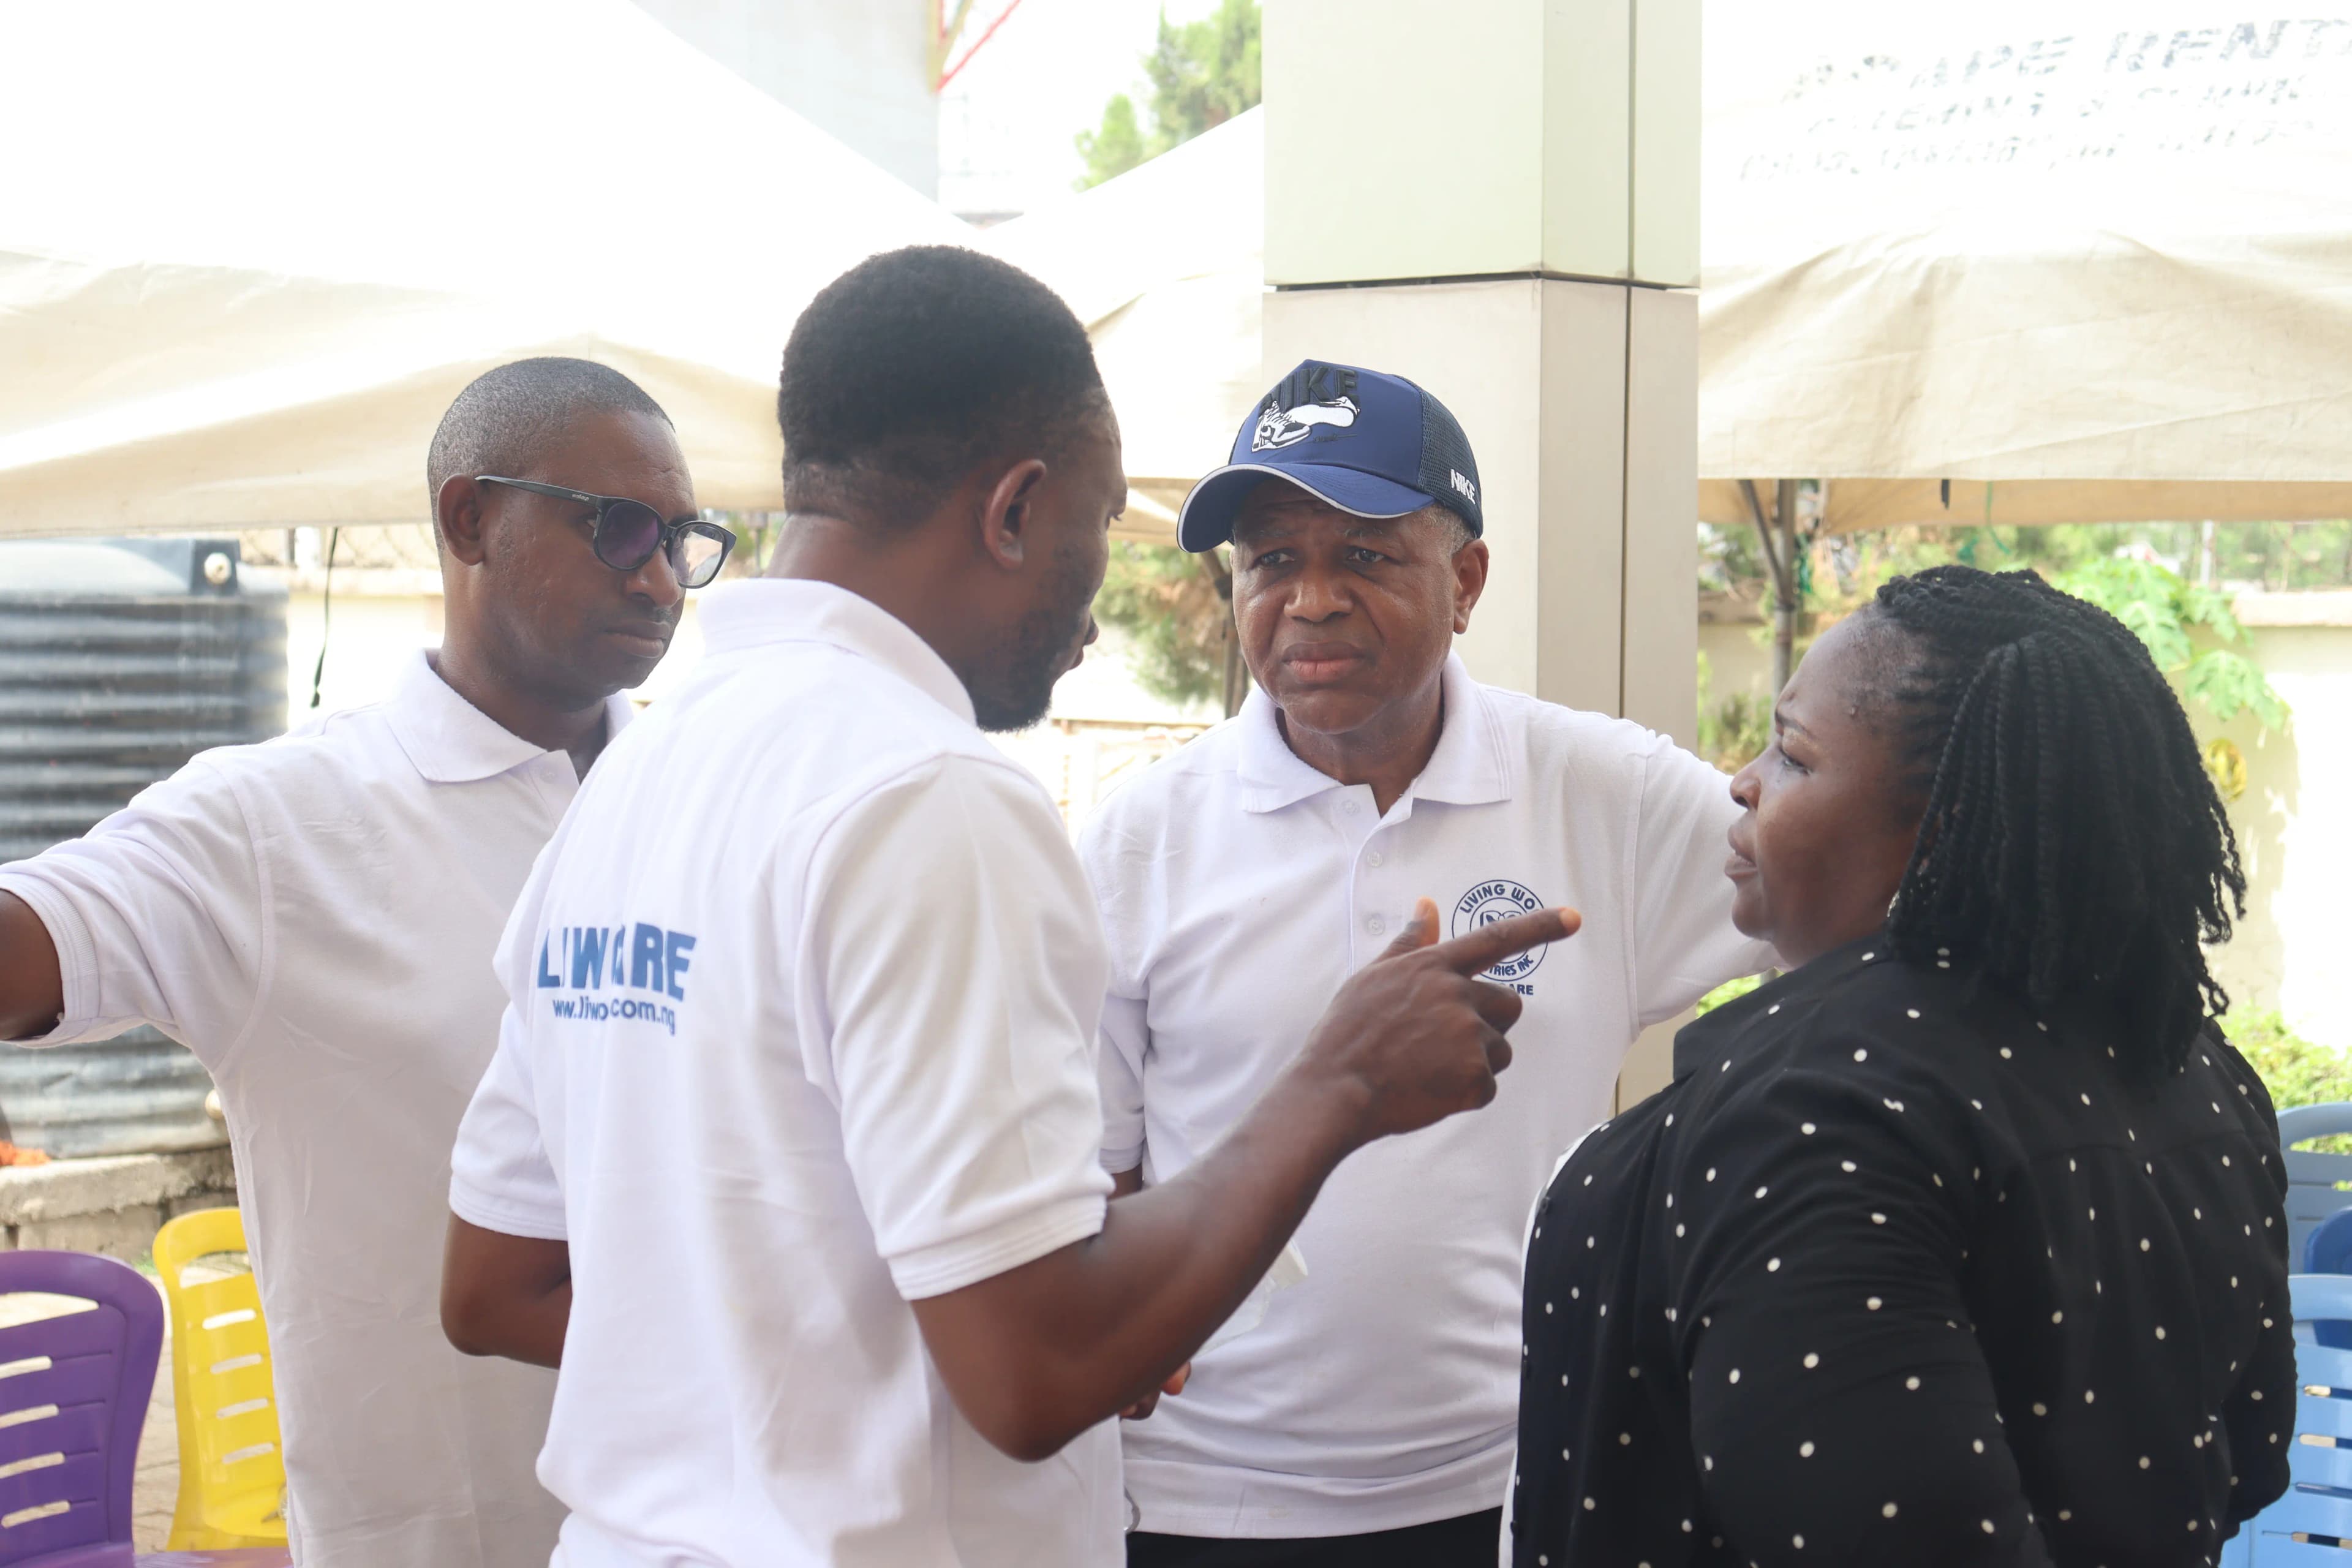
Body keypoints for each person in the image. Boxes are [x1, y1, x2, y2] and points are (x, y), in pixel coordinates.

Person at [436, 247, 1570, 1568]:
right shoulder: (932, 795)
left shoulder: (633, 775)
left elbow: (498, 1281)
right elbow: (1036, 1366)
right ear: (1018, 509)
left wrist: (819, 1358)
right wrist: (1340, 1082)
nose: (1093, 605)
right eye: (1096, 531)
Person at [0, 356, 728, 1567]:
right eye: (618, 527)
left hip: (724, 1526)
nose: (659, 576)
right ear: (467, 517)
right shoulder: (275, 823)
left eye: (685, 538)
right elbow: (32, 942)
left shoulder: (712, 806)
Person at [1082, 358, 1771, 1567]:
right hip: (1208, 1501)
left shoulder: (1600, 792)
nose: (1309, 599)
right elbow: (1097, 1169)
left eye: (1364, 555)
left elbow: (1833, 897)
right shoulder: (1139, 842)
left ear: (1467, 581)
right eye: (1271, 560)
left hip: (1523, 1480)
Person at [1512, 565, 2296, 1567]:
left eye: (1792, 756)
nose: (1743, 780)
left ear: (1946, 834)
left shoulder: (1817, 1115)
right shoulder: (2197, 1069)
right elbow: (2249, 1454)